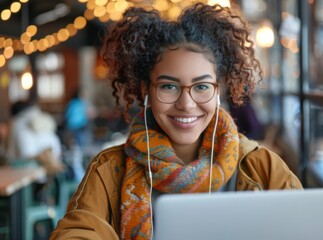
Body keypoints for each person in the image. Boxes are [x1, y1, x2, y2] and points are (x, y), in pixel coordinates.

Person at [51, 3, 302, 239]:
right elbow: (79, 229)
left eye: (202, 86)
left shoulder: (261, 167)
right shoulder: (107, 171)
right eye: (169, 86)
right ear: (146, 90)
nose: (186, 103)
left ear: (219, 90)